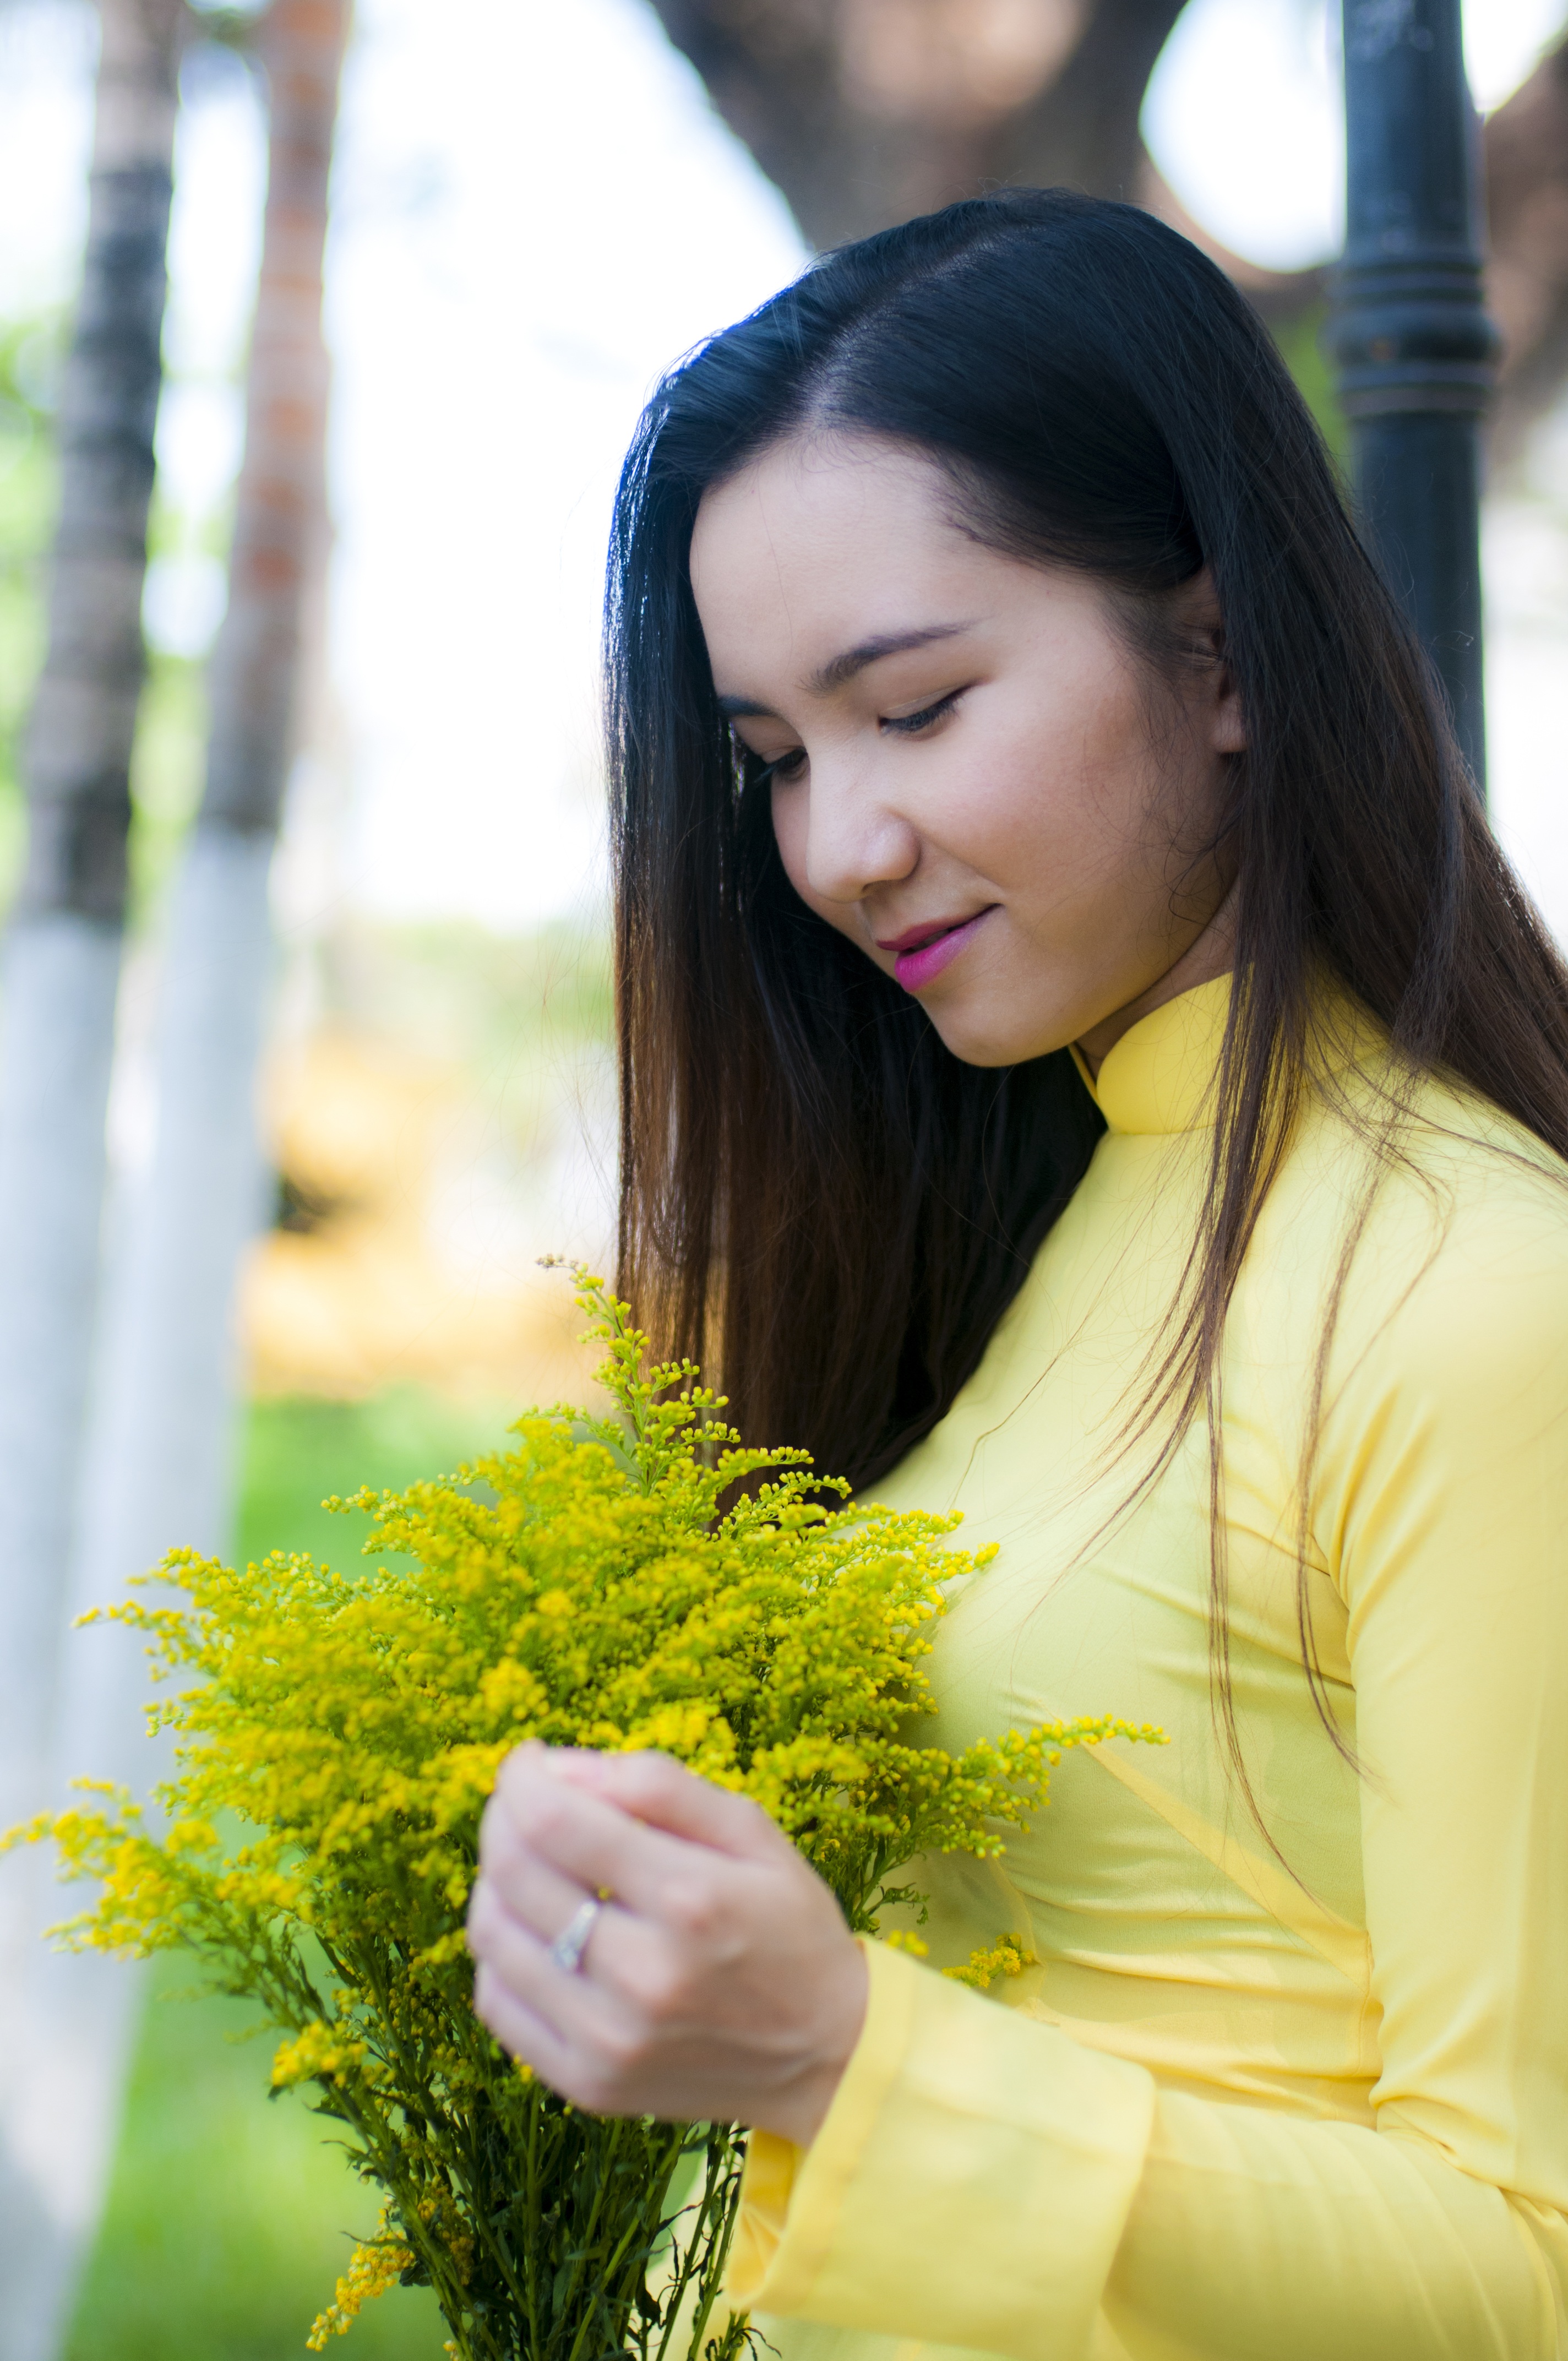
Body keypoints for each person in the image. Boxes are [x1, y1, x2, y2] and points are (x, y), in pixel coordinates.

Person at [464, 191, 1568, 2359]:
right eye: (775, 758)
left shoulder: (1476, 1299)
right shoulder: (1039, 1220)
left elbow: (1526, 2263)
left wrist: (838, 2060)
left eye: (918, 705)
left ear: (1224, 652)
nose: (832, 849)